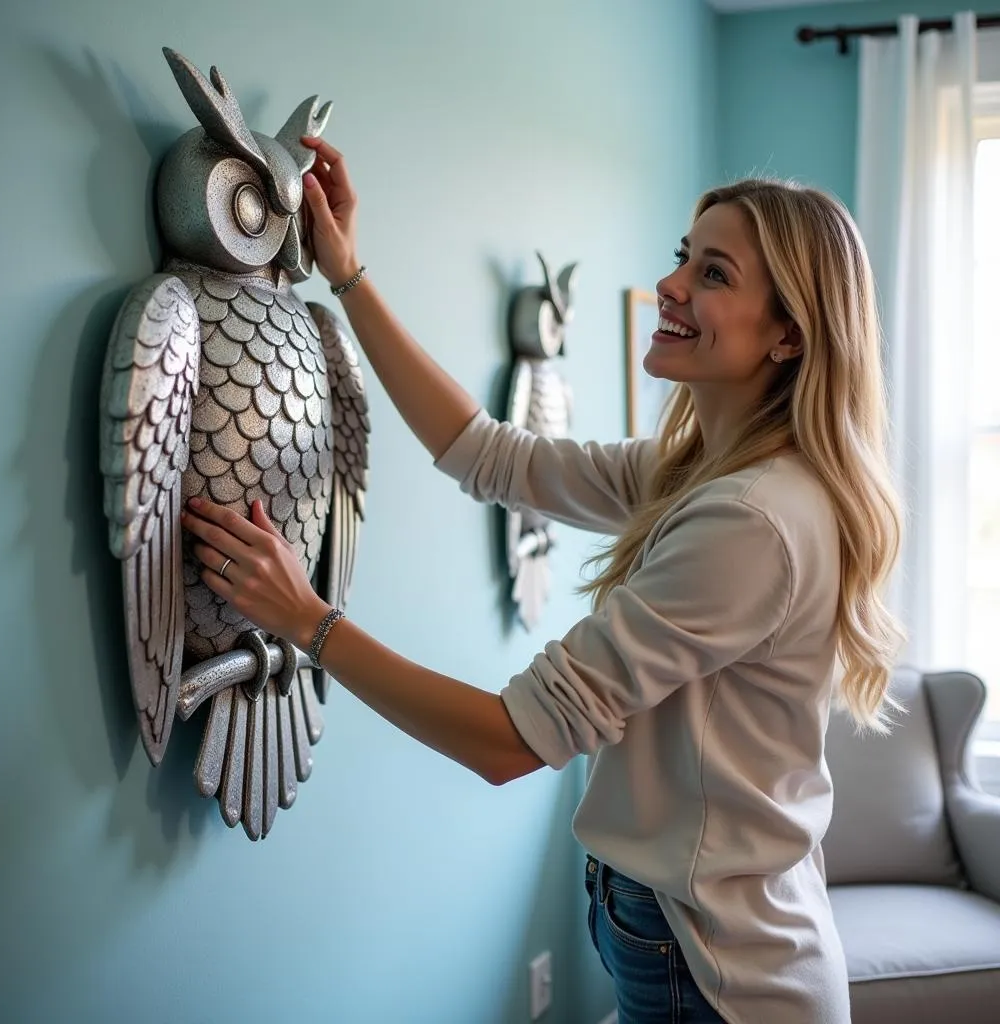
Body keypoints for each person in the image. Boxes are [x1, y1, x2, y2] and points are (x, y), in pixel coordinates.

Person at [181, 136, 903, 1024]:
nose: (672, 285)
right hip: (682, 933)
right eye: (685, 257)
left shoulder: (752, 521)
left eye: (715, 275)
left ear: (789, 334)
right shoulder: (704, 472)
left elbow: (507, 743)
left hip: (720, 977)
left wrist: (308, 620)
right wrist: (349, 275)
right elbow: (488, 454)